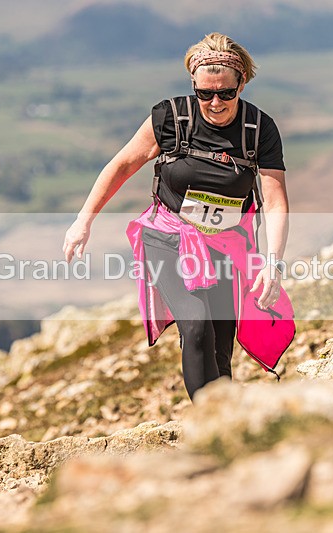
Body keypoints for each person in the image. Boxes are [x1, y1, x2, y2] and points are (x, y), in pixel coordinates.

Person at [63, 32, 290, 401]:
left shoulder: (258, 129)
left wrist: (272, 262)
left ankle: (223, 425)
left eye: (225, 93)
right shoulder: (170, 117)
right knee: (197, 326)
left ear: (241, 84)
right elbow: (122, 165)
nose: (215, 102)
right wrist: (83, 221)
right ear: (193, 86)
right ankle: (209, 419)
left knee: (219, 344)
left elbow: (276, 200)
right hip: (168, 238)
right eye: (205, 93)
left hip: (226, 245)